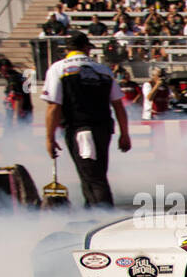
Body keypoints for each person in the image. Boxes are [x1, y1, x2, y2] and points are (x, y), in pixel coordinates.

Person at [41, 31, 130, 208]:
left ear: (68, 49)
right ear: (86, 48)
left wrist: (49, 138)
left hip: (80, 129)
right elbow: (118, 105)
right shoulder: (103, 70)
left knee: (92, 177)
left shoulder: (59, 68)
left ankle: (103, 218)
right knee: (93, 174)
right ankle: (92, 213)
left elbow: (53, 106)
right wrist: (124, 134)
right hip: (104, 129)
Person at [0, 58, 33, 128]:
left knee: (12, 135)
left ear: (3, 68)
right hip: (25, 111)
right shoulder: (19, 76)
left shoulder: (13, 78)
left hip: (18, 113)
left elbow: (18, 97)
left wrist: (15, 117)